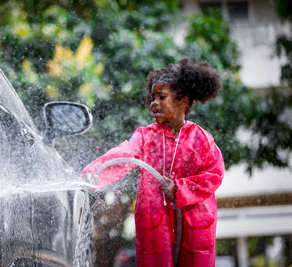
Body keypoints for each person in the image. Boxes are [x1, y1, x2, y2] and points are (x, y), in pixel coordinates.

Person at [82, 58, 225, 267]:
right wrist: (94, 173)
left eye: (161, 97)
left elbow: (214, 175)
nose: (154, 103)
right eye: (152, 98)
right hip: (155, 223)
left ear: (183, 101)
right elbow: (123, 155)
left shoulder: (202, 139)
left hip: (194, 224)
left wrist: (180, 189)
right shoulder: (146, 136)